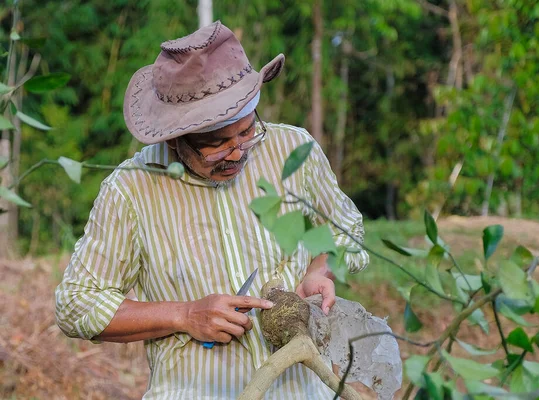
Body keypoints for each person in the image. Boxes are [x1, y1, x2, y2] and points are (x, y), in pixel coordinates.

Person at [55, 20, 369, 399]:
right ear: (174, 139)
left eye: (247, 132)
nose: (237, 153)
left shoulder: (292, 151)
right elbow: (76, 304)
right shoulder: (132, 190)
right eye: (216, 144)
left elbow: (344, 227)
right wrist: (185, 315)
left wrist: (320, 269)